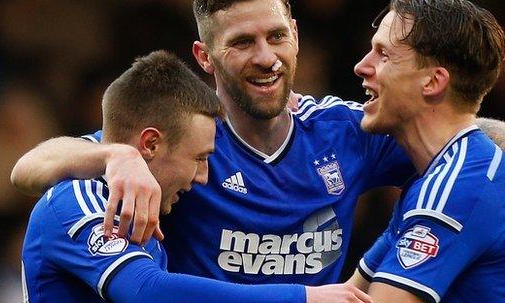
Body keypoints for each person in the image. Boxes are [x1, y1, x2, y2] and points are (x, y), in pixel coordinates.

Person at [12, 0, 505, 286]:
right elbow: (32, 166)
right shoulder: (180, 144)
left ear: (295, 37)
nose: (266, 56)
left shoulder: (341, 131)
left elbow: (449, 130)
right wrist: (114, 156)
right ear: (205, 58)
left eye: (277, 36)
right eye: (242, 42)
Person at [21, 50, 372, 303]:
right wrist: (305, 297)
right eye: (200, 158)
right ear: (151, 144)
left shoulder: (134, 187)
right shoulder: (81, 200)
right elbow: (148, 291)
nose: (204, 176)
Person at [347, 0, 505, 302]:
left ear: (433, 82)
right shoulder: (441, 176)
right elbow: (351, 294)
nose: (362, 66)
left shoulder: (457, 187)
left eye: (384, 54)